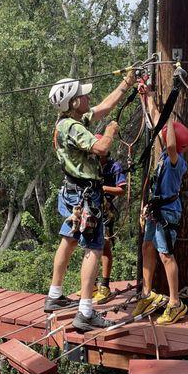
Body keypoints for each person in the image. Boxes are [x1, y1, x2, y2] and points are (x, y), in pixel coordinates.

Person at [44, 71, 136, 332]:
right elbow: (101, 148)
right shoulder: (73, 127)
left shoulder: (68, 122)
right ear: (73, 103)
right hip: (86, 194)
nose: (87, 96)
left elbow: (105, 106)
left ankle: (54, 294)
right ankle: (85, 311)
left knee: (69, 239)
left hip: (73, 193)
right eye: (82, 95)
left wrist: (126, 83)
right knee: (94, 247)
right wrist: (109, 132)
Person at [131, 90, 188, 325]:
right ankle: (147, 294)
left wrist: (169, 117)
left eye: (169, 138)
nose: (166, 140)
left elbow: (170, 141)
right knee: (147, 247)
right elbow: (158, 121)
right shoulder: (165, 158)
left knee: (166, 255)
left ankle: (175, 303)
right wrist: (146, 97)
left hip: (167, 212)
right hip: (156, 210)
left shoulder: (177, 162)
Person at [95, 135, 127, 301]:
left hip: (106, 210)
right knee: (90, 246)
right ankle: (92, 285)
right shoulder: (91, 165)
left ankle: (105, 286)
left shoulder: (114, 166)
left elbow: (122, 189)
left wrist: (102, 188)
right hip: (91, 209)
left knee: (105, 246)